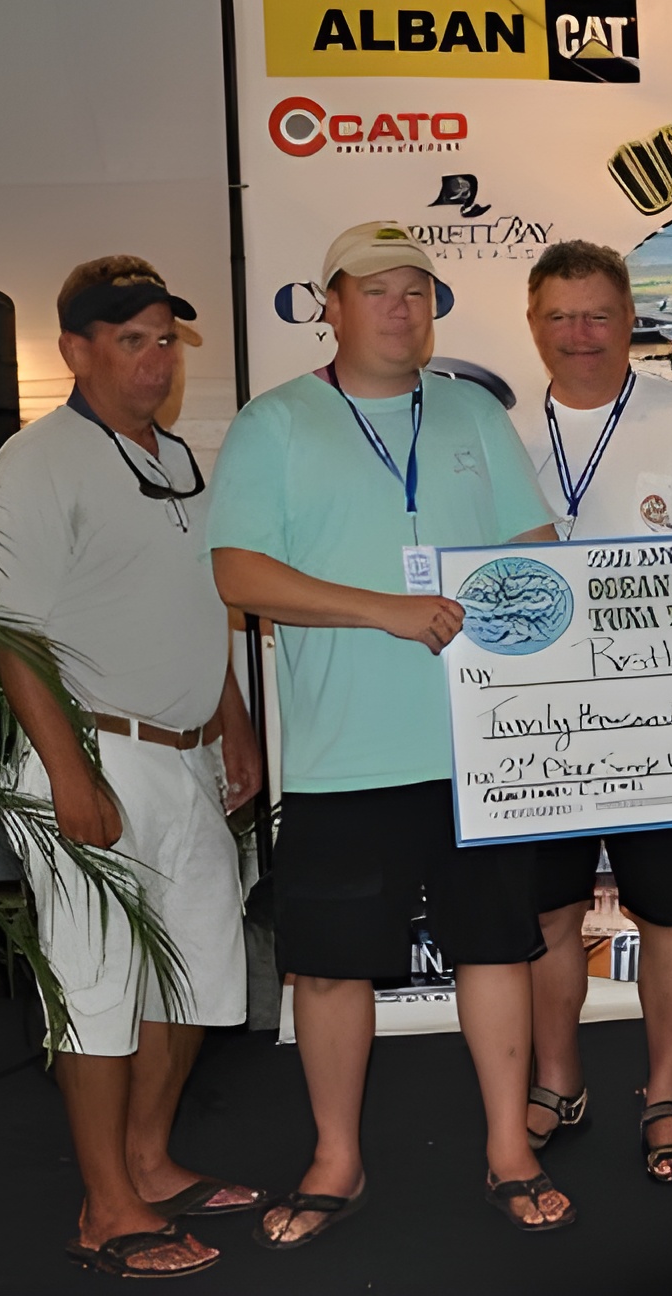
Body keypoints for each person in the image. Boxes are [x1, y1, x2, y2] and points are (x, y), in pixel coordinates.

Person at [209, 222, 573, 1239]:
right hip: (342, 756)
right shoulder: (274, 422)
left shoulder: (471, 413)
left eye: (417, 290)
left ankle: (509, 1145)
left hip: (477, 746)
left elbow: (535, 549)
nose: (401, 308)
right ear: (329, 302)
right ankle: (336, 1156)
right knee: (327, 966)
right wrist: (386, 607)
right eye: (377, 290)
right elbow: (239, 574)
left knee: (495, 949)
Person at [0, 257, 261, 1277]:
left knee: (190, 970)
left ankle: (147, 1157)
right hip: (91, 755)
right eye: (131, 337)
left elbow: (200, 607)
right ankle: (105, 1206)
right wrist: (68, 774)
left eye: (165, 337)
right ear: (77, 351)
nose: (155, 356)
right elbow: (9, 633)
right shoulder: (37, 461)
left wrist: (231, 719)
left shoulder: (181, 457)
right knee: (97, 987)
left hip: (183, 760)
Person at [515, 240, 672, 1182]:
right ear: (533, 324)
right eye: (560, 317)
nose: (580, 335)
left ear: (631, 322)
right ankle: (557, 1080)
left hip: (670, 722)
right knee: (549, 917)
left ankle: (665, 1090)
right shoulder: (499, 432)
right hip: (539, 728)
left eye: (598, 315)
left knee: (670, 915)